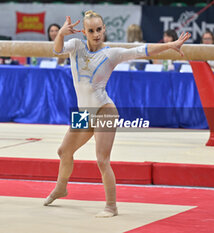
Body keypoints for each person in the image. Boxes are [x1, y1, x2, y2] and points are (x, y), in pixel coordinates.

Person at [43, 10, 191, 217]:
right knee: (63, 151)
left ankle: (111, 206)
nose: (96, 34)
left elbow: (142, 50)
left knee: (102, 160)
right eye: (91, 30)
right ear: (84, 32)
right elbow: (57, 50)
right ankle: (61, 187)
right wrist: (61, 34)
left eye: (99, 29)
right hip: (84, 113)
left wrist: (170, 45)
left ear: (104, 29)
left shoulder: (111, 53)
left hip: (104, 110)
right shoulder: (76, 46)